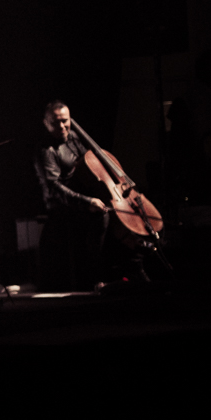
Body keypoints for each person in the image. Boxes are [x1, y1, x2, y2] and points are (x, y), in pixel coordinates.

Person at [33, 101, 124, 291]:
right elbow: (55, 188)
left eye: (65, 121)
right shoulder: (47, 150)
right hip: (61, 205)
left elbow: (91, 164)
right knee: (101, 216)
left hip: (80, 196)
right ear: (46, 123)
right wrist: (87, 201)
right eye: (55, 122)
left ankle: (124, 270)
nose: (62, 126)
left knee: (115, 211)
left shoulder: (74, 138)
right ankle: (95, 276)